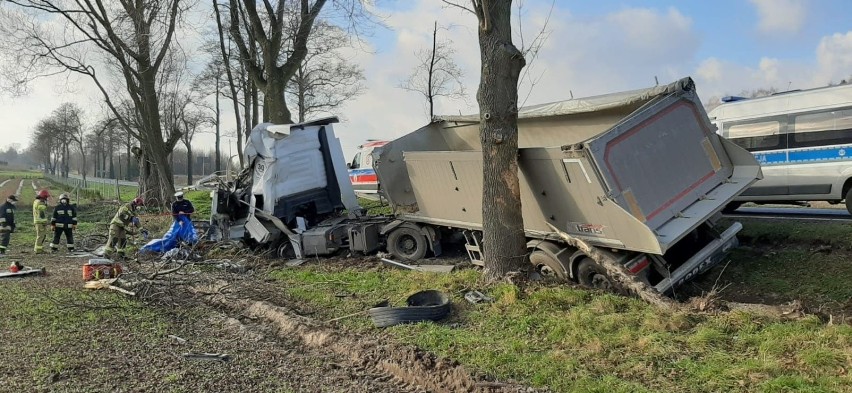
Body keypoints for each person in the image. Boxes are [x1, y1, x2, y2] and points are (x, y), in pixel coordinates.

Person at [32, 189, 50, 254]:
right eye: (46, 197)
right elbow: (42, 211)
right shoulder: (40, 203)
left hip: (39, 221)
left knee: (42, 235)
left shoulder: (36, 201)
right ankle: (38, 250)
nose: (47, 199)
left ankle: (38, 248)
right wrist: (45, 204)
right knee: (40, 236)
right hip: (40, 222)